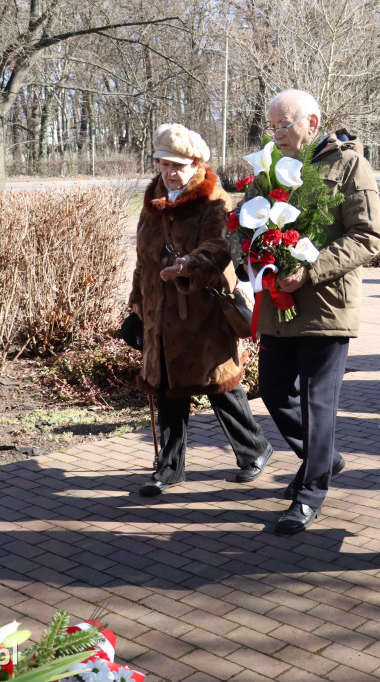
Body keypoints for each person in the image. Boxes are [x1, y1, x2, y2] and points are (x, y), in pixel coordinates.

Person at [256, 89, 380, 535]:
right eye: (271, 126)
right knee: (272, 390)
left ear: (312, 123)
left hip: (326, 305)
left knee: (317, 403)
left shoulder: (350, 165)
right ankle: (324, 457)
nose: (277, 134)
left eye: (284, 125)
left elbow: (369, 236)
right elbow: (256, 221)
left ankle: (310, 493)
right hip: (279, 306)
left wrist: (310, 270)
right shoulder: (271, 165)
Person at [129, 123, 273, 497]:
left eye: (177, 164)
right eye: (163, 164)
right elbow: (143, 257)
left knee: (219, 385)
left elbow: (219, 247)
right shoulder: (153, 198)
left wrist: (189, 265)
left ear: (196, 163)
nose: (169, 172)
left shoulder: (214, 200)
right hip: (160, 310)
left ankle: (254, 449)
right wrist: (137, 298)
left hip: (202, 310)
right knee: (168, 388)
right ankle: (170, 469)